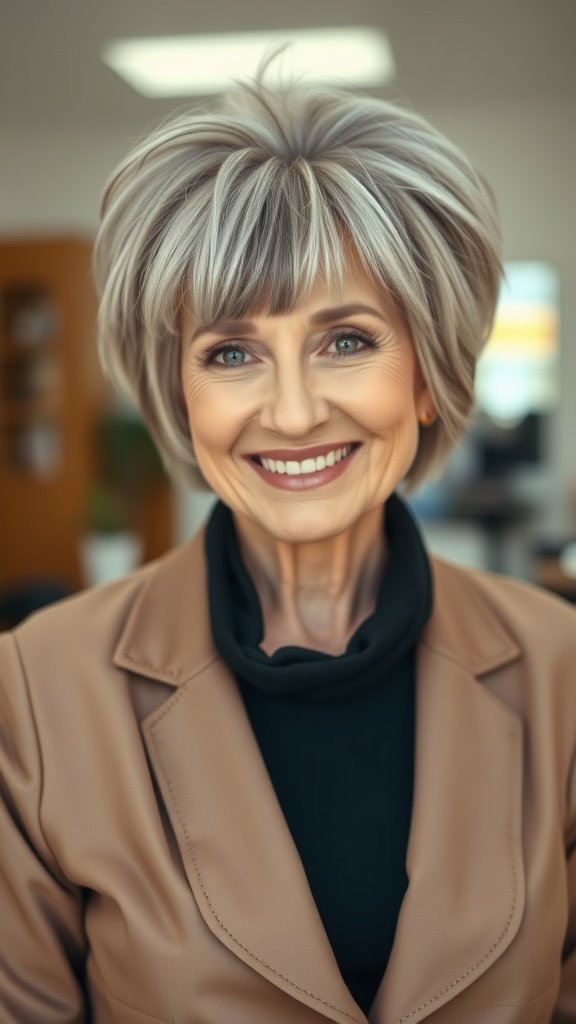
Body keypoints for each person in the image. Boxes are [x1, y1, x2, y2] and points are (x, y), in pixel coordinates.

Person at [1, 67, 575, 1024]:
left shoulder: (563, 673)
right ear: (179, 397)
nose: (296, 411)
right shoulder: (33, 691)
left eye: (346, 340)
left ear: (429, 373)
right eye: (231, 353)